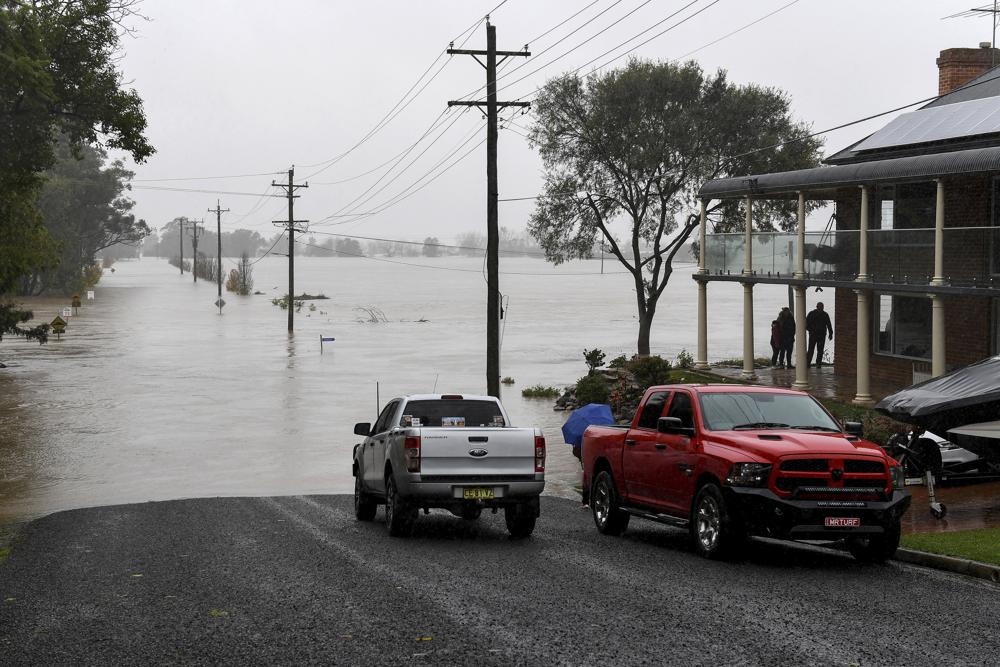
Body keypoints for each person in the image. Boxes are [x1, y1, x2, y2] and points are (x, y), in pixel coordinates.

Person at [806, 301, 833, 367]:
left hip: (821, 335)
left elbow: (829, 324)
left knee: (820, 350)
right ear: (817, 307)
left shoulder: (825, 315)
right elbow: (806, 323)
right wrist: (811, 330)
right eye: (820, 307)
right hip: (813, 335)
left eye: (822, 307)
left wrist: (830, 333)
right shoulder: (812, 314)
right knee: (811, 349)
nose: (821, 308)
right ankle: (808, 363)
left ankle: (818, 363)